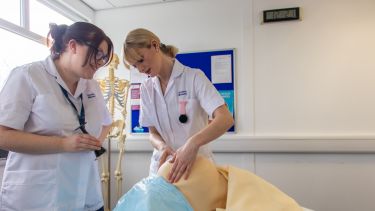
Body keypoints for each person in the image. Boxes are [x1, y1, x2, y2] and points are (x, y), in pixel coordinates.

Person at [0, 22, 114, 211]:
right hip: (38, 198)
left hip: (86, 193)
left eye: (103, 58)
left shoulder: (91, 86)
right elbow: (2, 135)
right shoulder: (28, 76)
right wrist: (63, 144)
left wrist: (92, 145)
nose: (100, 62)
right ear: (73, 45)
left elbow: (106, 123)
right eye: (97, 54)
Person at [122, 28, 234, 183]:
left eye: (140, 60)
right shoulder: (146, 88)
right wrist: (162, 147)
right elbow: (152, 132)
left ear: (155, 45)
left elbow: (225, 119)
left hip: (196, 167)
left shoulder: (194, 77)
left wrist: (193, 143)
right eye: (135, 66)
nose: (140, 69)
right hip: (163, 167)